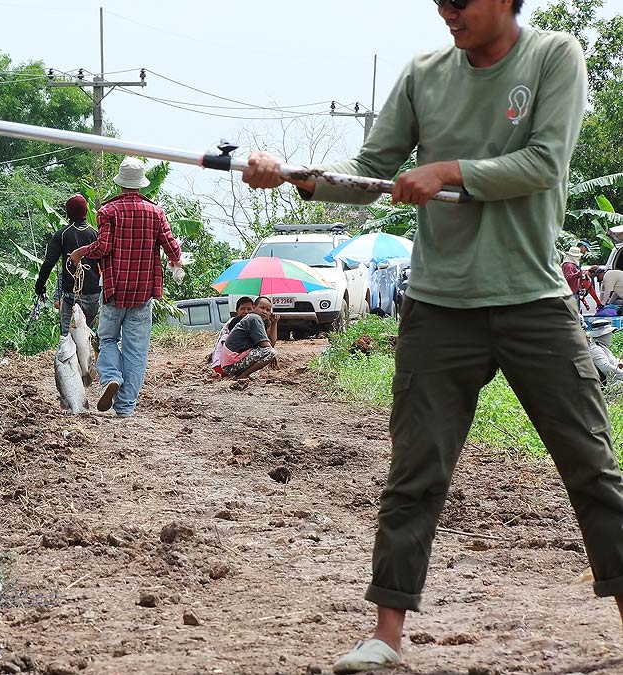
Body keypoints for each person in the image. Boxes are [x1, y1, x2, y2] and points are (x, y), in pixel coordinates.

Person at [243, 1, 623, 672]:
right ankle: (386, 636)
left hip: (534, 300)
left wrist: (447, 170)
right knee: (414, 474)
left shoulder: (552, 57)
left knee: (593, 470)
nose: (447, 10)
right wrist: (294, 177)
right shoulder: (424, 74)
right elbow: (367, 174)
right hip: (440, 306)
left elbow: (543, 162)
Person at [70, 157, 183, 417]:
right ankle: (125, 407)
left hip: (114, 290)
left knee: (108, 339)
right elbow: (172, 249)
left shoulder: (108, 211)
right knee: (136, 349)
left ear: (120, 183)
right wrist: (176, 263)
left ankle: (111, 376)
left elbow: (103, 248)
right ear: (141, 184)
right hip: (143, 293)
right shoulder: (156, 213)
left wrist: (80, 252)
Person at [34, 194, 101, 335]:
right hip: (94, 295)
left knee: (68, 336)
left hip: (71, 297)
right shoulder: (96, 234)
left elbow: (49, 263)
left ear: (68, 212)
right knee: (89, 335)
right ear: (86, 210)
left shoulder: (62, 234)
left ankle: (71, 357)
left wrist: (40, 286)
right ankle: (88, 357)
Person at [219, 296, 279, 378]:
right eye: (262, 308)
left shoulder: (258, 321)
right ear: (254, 308)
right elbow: (267, 347)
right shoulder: (254, 318)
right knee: (271, 352)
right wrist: (273, 355)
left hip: (231, 363)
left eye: (268, 310)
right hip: (230, 365)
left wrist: (274, 323)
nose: (265, 312)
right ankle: (243, 375)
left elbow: (271, 343)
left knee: (271, 351)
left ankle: (241, 374)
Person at [208, 296, 255, 376]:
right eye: (242, 309)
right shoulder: (233, 323)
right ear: (237, 310)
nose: (246, 312)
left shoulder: (249, 323)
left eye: (249, 309)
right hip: (222, 366)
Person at [587, 319, 623, 390]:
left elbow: (611, 361)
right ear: (604, 335)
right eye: (610, 333)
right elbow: (605, 367)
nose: (612, 335)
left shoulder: (601, 346)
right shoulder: (595, 349)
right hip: (610, 384)